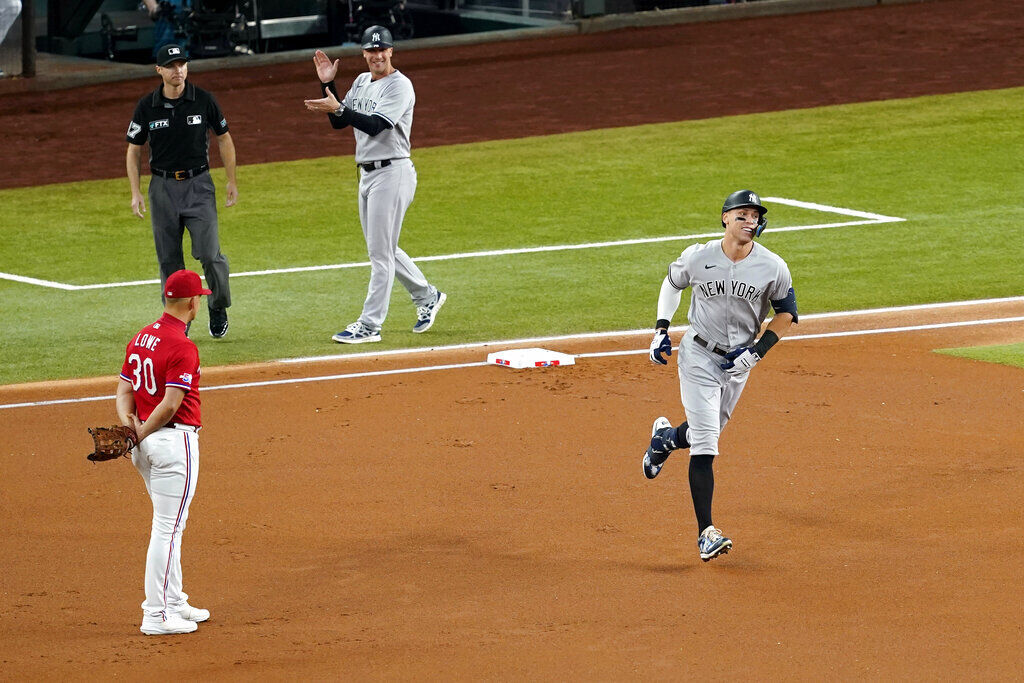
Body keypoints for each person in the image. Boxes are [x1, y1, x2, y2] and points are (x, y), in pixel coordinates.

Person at [642, 190, 798, 562]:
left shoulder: (772, 266)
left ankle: (664, 440)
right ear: (725, 218)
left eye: (755, 216)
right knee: (707, 445)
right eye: (742, 214)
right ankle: (706, 534)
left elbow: (788, 313)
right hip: (697, 354)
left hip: (738, 364)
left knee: (702, 432)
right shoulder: (699, 256)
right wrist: (661, 329)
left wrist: (756, 353)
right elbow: (672, 282)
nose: (750, 221)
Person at [303, 25, 446, 344]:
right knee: (384, 249)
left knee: (380, 255)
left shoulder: (400, 86)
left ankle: (370, 325)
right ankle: (427, 296)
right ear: (364, 53)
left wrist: (339, 107)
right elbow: (340, 121)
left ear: (391, 51)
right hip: (367, 174)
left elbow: (377, 126)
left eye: (383, 50)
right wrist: (328, 84)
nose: (377, 55)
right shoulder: (361, 81)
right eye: (372, 50)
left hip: (392, 173)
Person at [116, 269, 211, 635]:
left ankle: (174, 602)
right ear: (191, 303)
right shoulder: (182, 346)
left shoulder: (142, 337)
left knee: (172, 526)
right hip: (172, 443)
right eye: (199, 297)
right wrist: (141, 431)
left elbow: (123, 392)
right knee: (167, 529)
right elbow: (171, 405)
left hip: (145, 446)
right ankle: (155, 615)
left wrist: (131, 431)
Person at [126, 43, 237, 338]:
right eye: (172, 65)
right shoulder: (146, 106)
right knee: (169, 260)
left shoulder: (203, 100)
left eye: (182, 64)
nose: (178, 70)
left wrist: (231, 180)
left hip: (198, 186)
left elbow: (224, 138)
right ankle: (177, 323)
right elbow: (133, 150)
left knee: (210, 254)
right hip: (161, 188)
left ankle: (218, 305)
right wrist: (136, 191)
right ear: (159, 70)